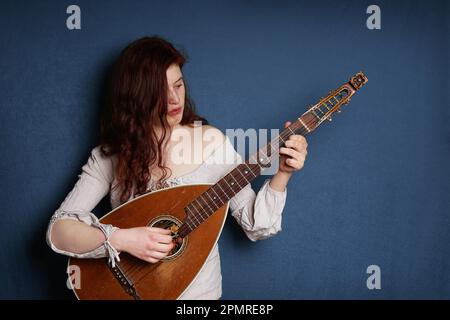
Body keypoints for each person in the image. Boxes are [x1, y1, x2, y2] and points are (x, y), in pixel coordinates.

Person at [46, 36, 308, 300]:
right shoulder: (112, 156)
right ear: (136, 98)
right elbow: (59, 231)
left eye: (179, 85)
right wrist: (124, 240)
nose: (174, 99)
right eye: (160, 92)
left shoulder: (212, 143)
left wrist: (283, 173)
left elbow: (256, 225)